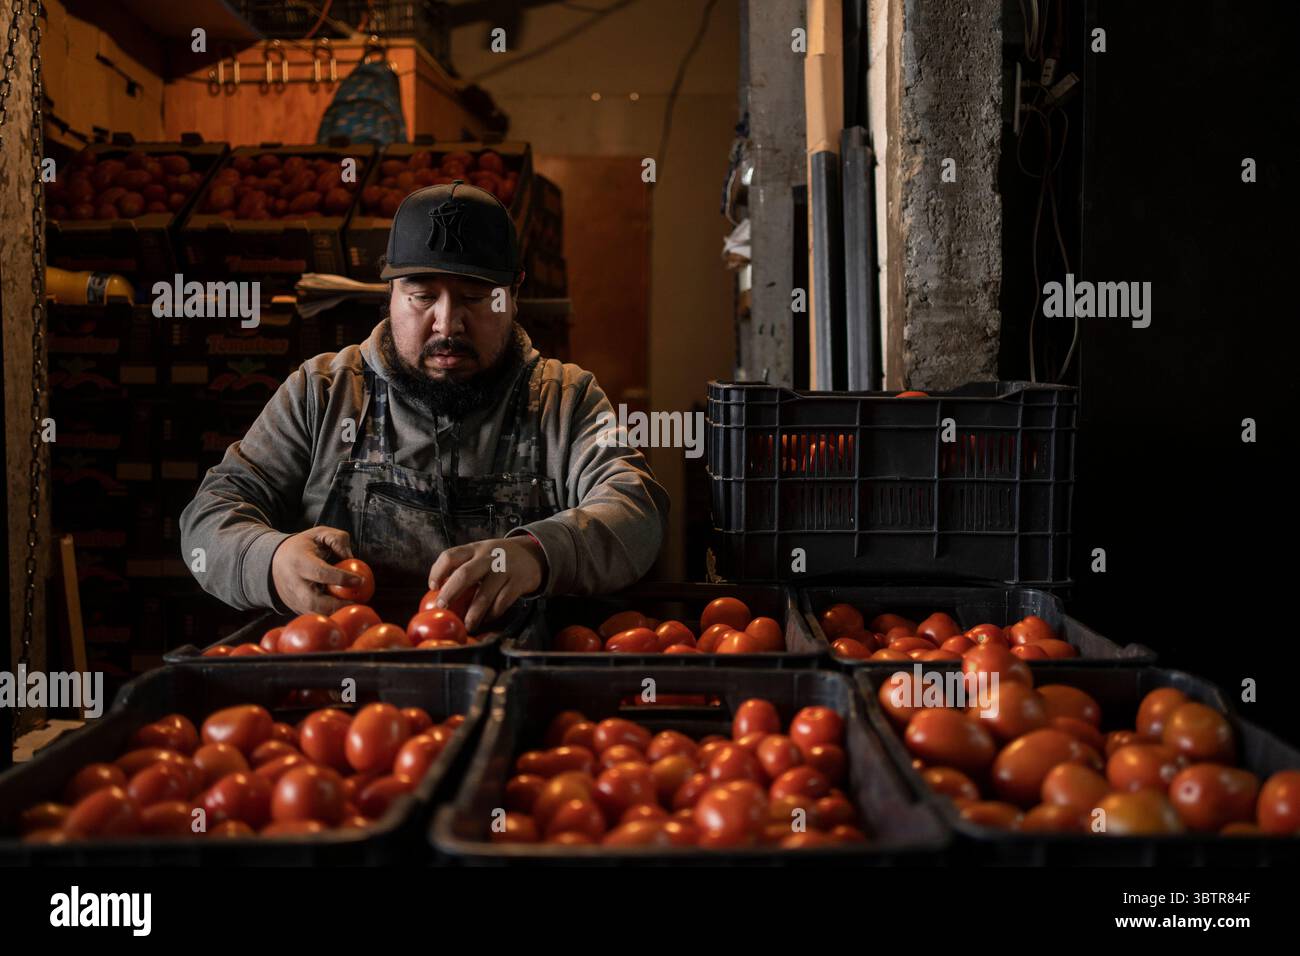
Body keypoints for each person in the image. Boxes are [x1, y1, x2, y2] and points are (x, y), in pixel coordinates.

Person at [180, 181, 669, 633]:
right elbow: (208, 517)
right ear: (388, 293)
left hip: (514, 689)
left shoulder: (566, 400)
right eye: (422, 296)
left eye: (476, 298)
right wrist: (270, 559)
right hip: (350, 700)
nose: (447, 324)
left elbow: (636, 510)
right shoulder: (322, 393)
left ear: (514, 295)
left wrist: (537, 552)